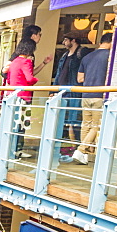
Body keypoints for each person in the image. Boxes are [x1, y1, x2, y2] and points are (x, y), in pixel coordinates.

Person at [73, 33, 113, 165]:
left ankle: (84, 156)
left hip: (85, 94)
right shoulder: (110, 57)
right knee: (96, 126)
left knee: (86, 125)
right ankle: (80, 150)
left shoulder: (87, 56)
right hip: (99, 95)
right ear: (111, 42)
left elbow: (80, 79)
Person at [52, 32, 88, 160]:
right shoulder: (65, 55)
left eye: (66, 40)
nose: (63, 42)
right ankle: (65, 147)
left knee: (74, 121)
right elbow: (59, 73)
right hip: (63, 92)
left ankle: (76, 149)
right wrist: (54, 88)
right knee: (63, 121)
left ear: (73, 40)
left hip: (74, 91)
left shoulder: (81, 54)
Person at [6, 39, 39, 159]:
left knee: (12, 125)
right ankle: (16, 151)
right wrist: (37, 81)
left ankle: (10, 150)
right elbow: (30, 79)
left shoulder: (14, 61)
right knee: (20, 126)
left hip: (11, 96)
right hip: (23, 97)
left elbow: (9, 80)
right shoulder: (26, 62)